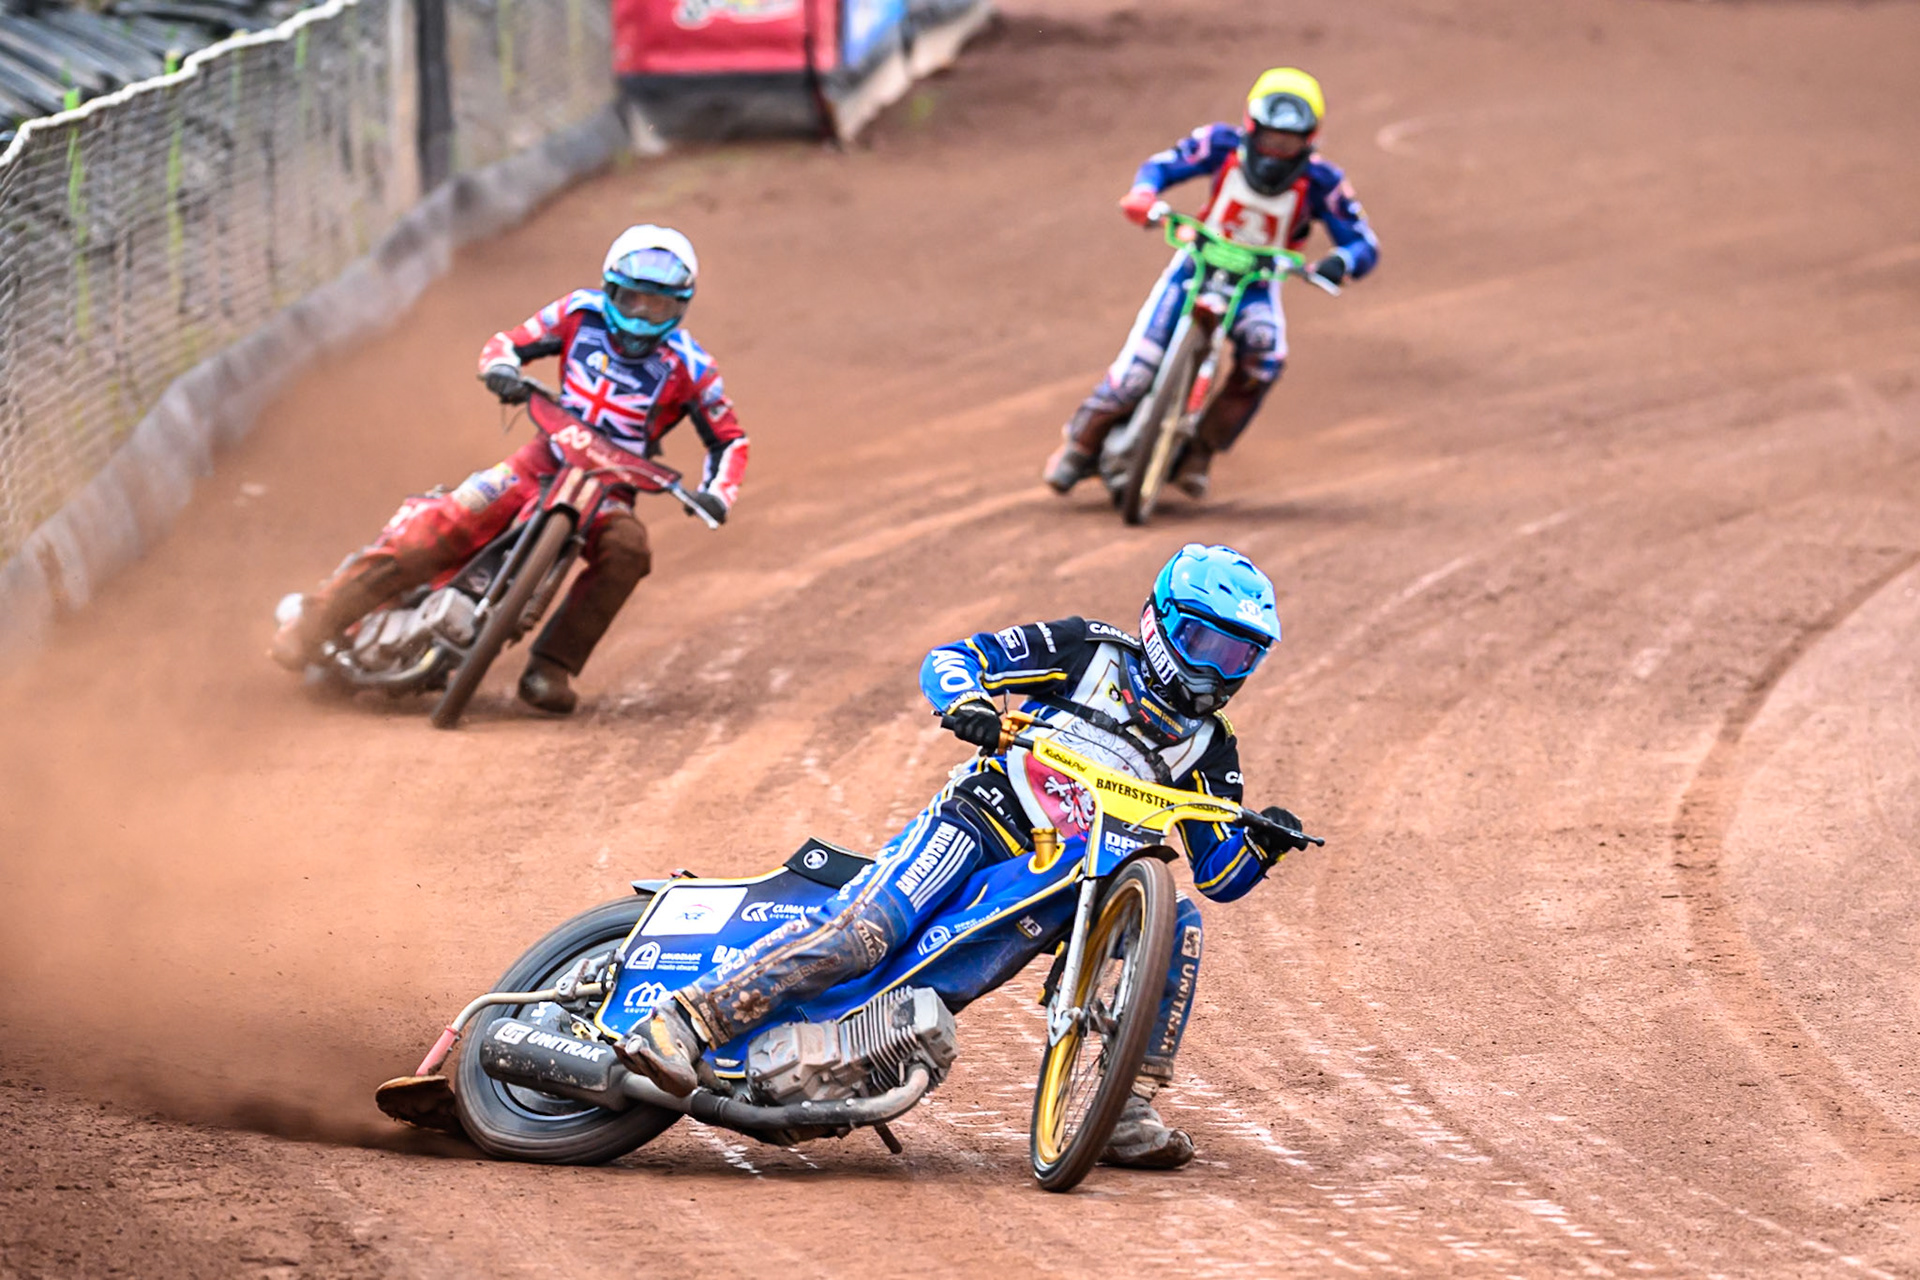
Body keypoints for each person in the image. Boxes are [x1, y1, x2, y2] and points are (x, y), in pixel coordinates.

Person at [619, 543, 1313, 1169]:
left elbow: (1221, 874)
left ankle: (1126, 1103)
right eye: (1206, 644)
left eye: (1239, 655)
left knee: (1180, 923)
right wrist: (968, 702)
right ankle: (685, 1020)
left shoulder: (1211, 745)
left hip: (1078, 881)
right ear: (1160, 623)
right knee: (868, 935)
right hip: (982, 819)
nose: (1218, 669)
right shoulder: (1086, 649)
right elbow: (954, 658)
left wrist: (1263, 846)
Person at [269, 225, 748, 713]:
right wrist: (501, 369)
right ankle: (313, 627)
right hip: (540, 462)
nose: (642, 316)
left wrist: (717, 493)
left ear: (681, 307)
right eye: (631, 300)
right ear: (610, 291)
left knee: (629, 549)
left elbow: (730, 440)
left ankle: (550, 670)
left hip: (610, 490)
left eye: (658, 306)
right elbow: (509, 342)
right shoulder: (577, 312)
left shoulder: (694, 367)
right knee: (443, 524)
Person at [1043, 67, 1380, 500]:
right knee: (1136, 368)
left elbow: (1363, 241)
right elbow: (1162, 166)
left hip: (1257, 282)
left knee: (1266, 354)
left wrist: (1342, 262)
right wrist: (1145, 195)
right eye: (1271, 137)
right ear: (1252, 125)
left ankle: (1201, 450)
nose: (1277, 151)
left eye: (1289, 141)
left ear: (1310, 137)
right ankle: (1080, 444)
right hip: (1196, 267)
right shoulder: (1219, 145)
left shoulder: (1323, 183)